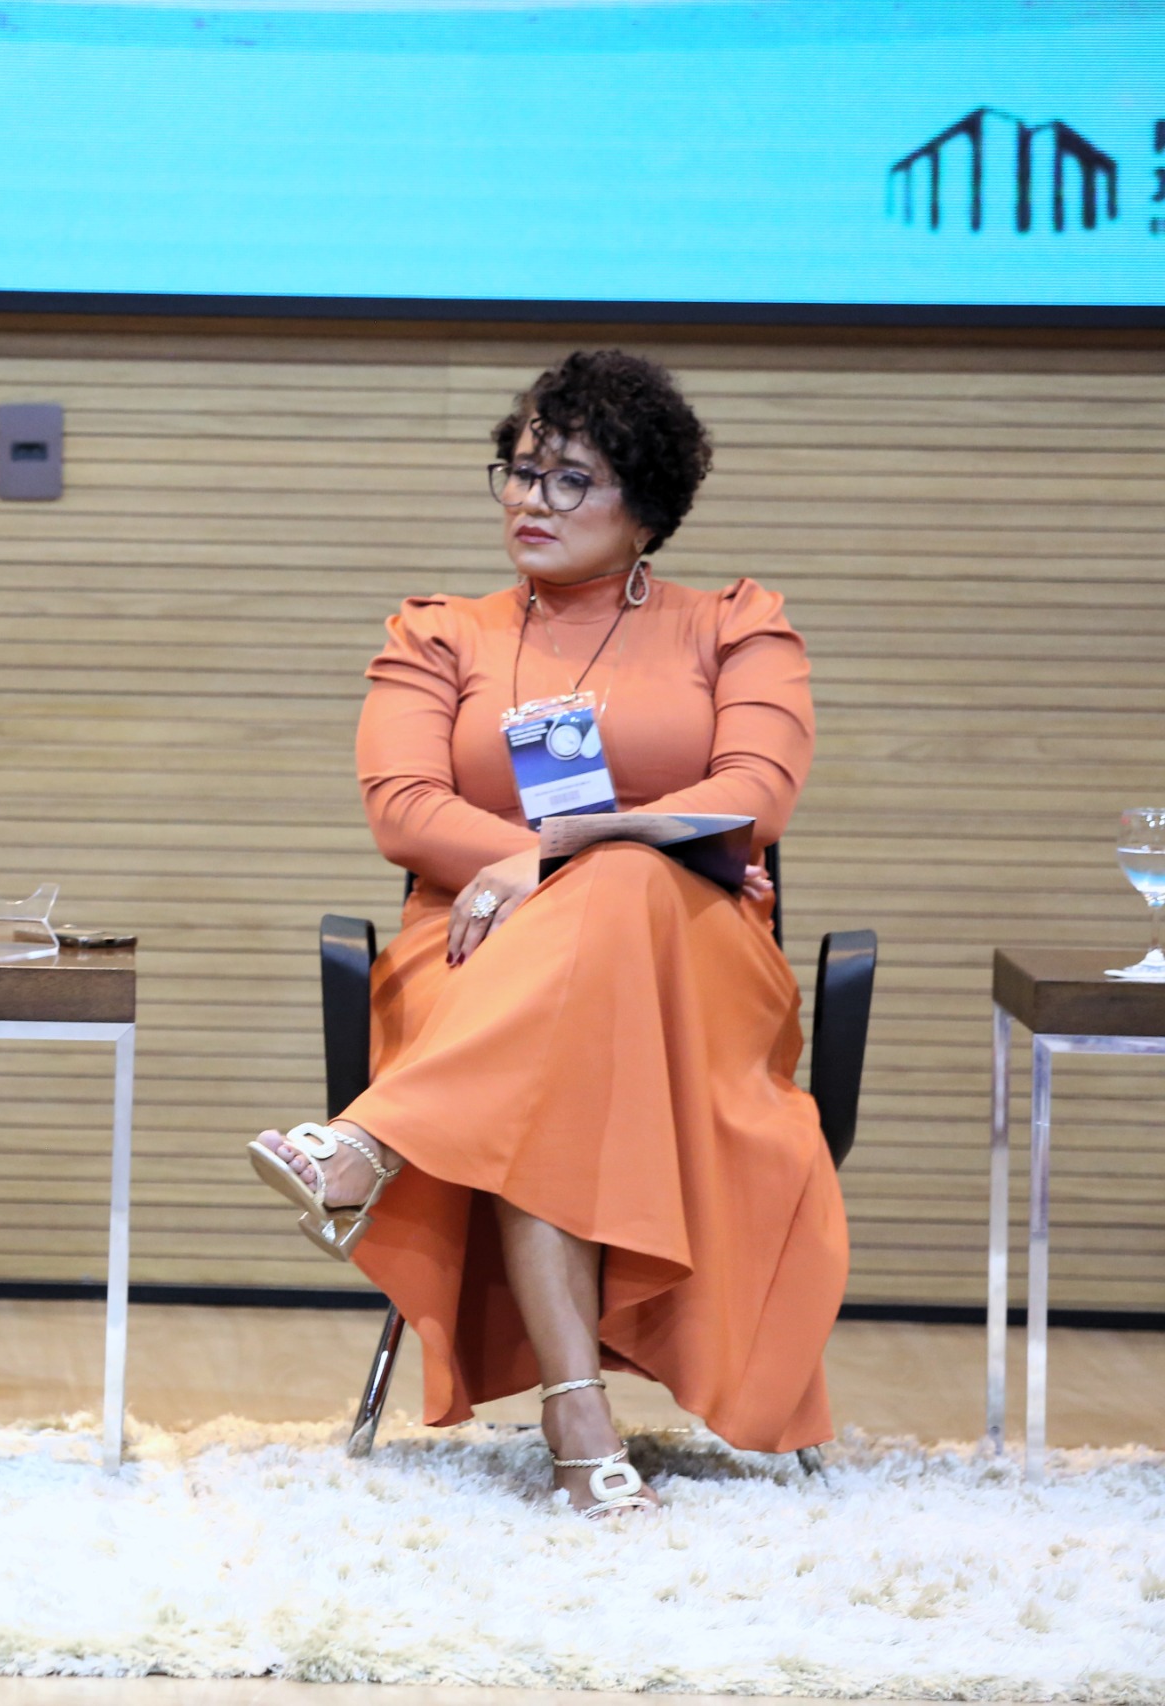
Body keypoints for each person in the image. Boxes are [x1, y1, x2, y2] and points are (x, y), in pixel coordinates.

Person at [245, 349, 844, 1517]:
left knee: (619, 893)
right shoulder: (439, 633)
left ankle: (371, 1143)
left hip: (696, 963)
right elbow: (401, 808)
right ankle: (579, 1433)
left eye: (571, 478)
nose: (531, 499)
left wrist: (558, 849)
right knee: (564, 1035)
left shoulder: (736, 626)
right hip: (472, 956)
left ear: (646, 506)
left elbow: (751, 797)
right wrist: (543, 865)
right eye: (517, 472)